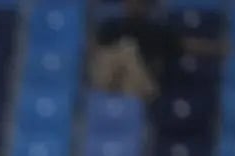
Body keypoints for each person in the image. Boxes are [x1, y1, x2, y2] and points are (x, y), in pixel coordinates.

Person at [90, 0, 224, 102]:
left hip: (143, 89)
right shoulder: (110, 28)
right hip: (112, 83)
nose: (133, 4)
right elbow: (98, 57)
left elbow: (186, 45)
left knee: (128, 52)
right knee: (119, 53)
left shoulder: (156, 32)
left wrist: (220, 48)